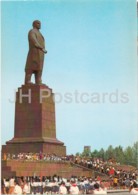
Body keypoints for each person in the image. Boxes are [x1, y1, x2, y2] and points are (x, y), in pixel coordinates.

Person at [25, 20, 47, 85]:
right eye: (38, 23)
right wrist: (42, 48)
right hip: (34, 52)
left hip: (41, 53)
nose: (39, 24)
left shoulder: (39, 33)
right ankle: (27, 81)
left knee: (39, 67)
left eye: (40, 23)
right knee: (31, 66)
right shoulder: (32, 31)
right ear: (34, 24)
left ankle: (38, 81)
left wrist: (42, 50)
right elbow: (34, 41)